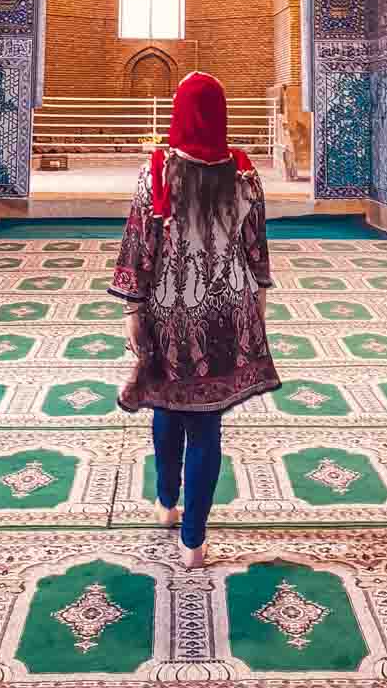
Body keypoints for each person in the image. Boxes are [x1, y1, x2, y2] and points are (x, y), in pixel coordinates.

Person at [110, 71, 280, 568]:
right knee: (206, 424)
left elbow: (139, 246)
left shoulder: (158, 172)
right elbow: (257, 252)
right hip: (227, 313)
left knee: (167, 404)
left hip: (169, 313)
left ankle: (167, 503)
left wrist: (133, 310)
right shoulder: (246, 174)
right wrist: (259, 307)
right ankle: (194, 541)